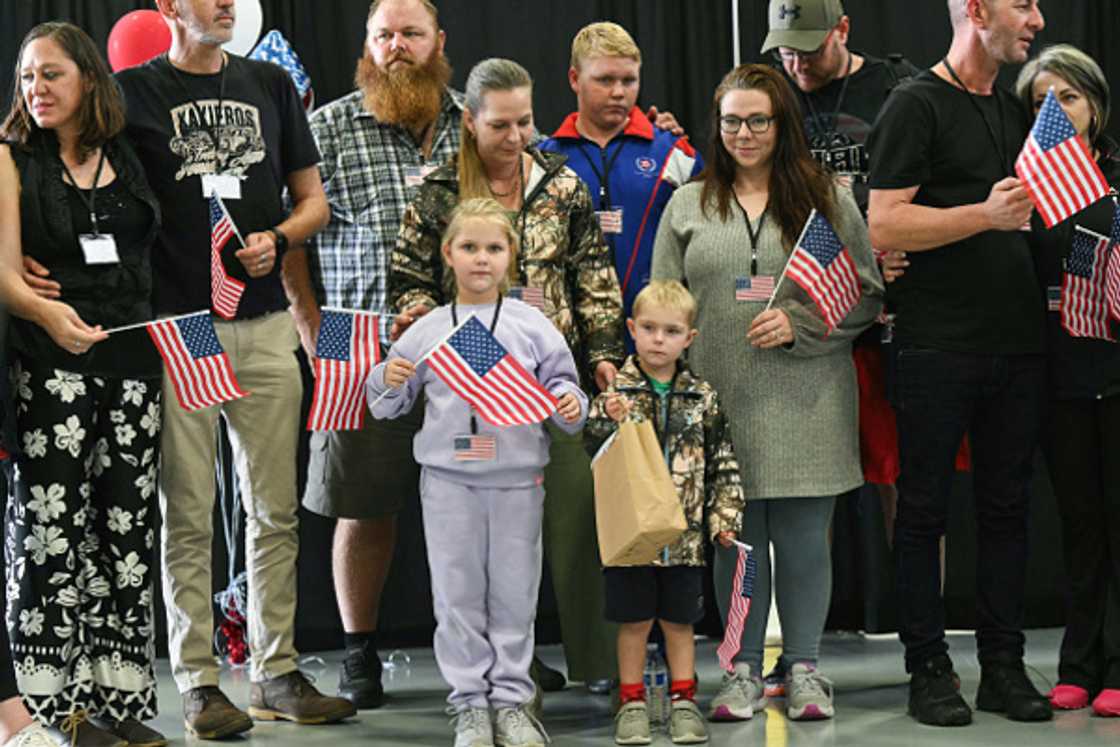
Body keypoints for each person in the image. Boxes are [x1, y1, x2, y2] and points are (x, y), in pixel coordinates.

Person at [110, 0, 354, 737]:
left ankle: (275, 671)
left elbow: (314, 203)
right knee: (187, 511)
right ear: (168, 7)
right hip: (181, 325)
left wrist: (278, 237)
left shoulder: (269, 84)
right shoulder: (131, 92)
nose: (225, 4)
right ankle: (197, 680)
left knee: (274, 509)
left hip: (266, 322)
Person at [652, 63, 883, 723]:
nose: (744, 134)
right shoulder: (687, 204)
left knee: (807, 541)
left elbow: (866, 292)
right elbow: (661, 305)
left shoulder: (825, 197)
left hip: (811, 396)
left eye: (758, 120)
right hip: (722, 405)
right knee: (738, 546)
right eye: (731, 121)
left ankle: (804, 668)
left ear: (783, 124)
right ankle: (742, 671)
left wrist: (800, 324)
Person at [391, 57, 625, 696]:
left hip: (551, 382)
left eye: (525, 122)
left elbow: (594, 277)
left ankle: (596, 666)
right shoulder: (438, 191)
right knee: (478, 557)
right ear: (470, 121)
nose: (516, 136)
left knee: (574, 530)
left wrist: (603, 354)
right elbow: (408, 278)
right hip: (469, 389)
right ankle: (490, 680)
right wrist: (417, 320)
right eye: (500, 124)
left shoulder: (562, 184)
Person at [866, 0, 1051, 727]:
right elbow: (884, 221)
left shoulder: (1013, 111)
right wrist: (984, 215)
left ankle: (1003, 665)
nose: (1037, 18)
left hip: (1017, 342)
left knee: (1007, 510)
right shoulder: (915, 104)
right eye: (1022, 4)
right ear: (976, 10)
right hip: (937, 344)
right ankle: (928, 668)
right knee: (923, 510)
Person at [288, 0, 464, 709]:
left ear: (437, 42)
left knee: (479, 506)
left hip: (468, 350)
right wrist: (311, 331)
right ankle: (359, 652)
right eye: (383, 35)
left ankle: (490, 646)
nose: (397, 46)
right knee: (361, 505)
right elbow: (291, 238)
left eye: (410, 34)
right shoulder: (325, 128)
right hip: (356, 343)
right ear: (367, 45)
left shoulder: (477, 123)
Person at [0, 22, 166, 747]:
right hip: (48, 369)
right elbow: (3, 271)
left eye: (52, 74)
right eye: (27, 76)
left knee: (125, 532)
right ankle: (49, 711)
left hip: (132, 367)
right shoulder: (11, 158)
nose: (36, 89)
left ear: (89, 79)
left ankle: (118, 701)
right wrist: (46, 312)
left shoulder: (127, 154)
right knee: (51, 535)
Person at [369, 198, 587, 747]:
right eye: (469, 247)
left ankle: (512, 702)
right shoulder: (427, 329)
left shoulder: (532, 325)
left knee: (514, 596)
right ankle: (469, 704)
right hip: (448, 484)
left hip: (516, 481)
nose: (481, 259)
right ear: (448, 254)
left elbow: (565, 387)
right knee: (457, 597)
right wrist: (386, 378)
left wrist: (570, 402)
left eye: (493, 247)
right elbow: (386, 404)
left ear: (511, 254)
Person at [583, 280, 745, 745]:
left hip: (685, 538)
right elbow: (592, 447)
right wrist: (606, 418)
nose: (658, 340)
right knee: (633, 622)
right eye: (649, 328)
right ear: (631, 329)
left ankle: (683, 701)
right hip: (631, 538)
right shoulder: (616, 393)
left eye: (671, 331)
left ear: (689, 338)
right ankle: (632, 702)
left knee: (679, 623)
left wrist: (725, 517)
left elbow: (723, 461)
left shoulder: (703, 395)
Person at [1014, 44, 1120, 719]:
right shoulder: (1025, 183)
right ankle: (1079, 663)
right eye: (1038, 102)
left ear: (1094, 106)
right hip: (1059, 375)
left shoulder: (1117, 181)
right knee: (1080, 525)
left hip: (1117, 371)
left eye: (1067, 97)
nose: (1052, 110)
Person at [539, 22, 702, 353]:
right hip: (569, 344)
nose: (618, 92)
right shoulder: (544, 160)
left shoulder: (674, 153)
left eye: (629, 80)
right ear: (575, 79)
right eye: (605, 80)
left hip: (656, 342)